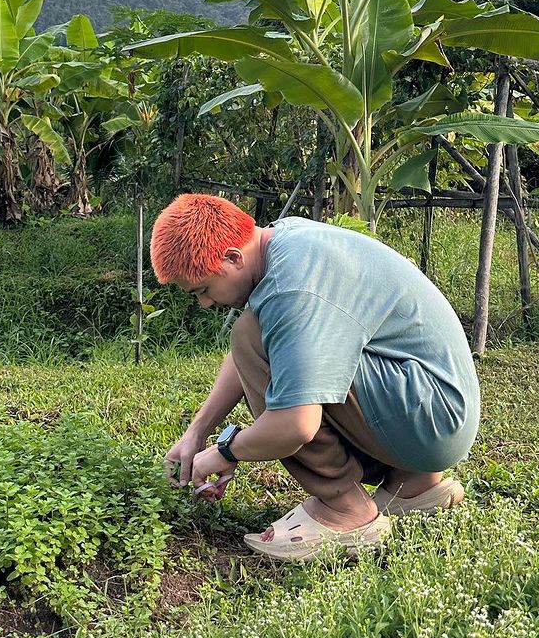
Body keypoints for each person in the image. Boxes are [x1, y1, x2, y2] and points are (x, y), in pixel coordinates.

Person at [154, 193, 480, 561]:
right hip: (438, 408)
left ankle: (344, 509)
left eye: (203, 290)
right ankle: (413, 486)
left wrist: (227, 451)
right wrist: (198, 431)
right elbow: (256, 352)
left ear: (232, 257)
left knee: (250, 335)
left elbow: (295, 425)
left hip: (431, 418)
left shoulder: (290, 286)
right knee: (258, 336)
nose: (205, 304)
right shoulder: (283, 241)